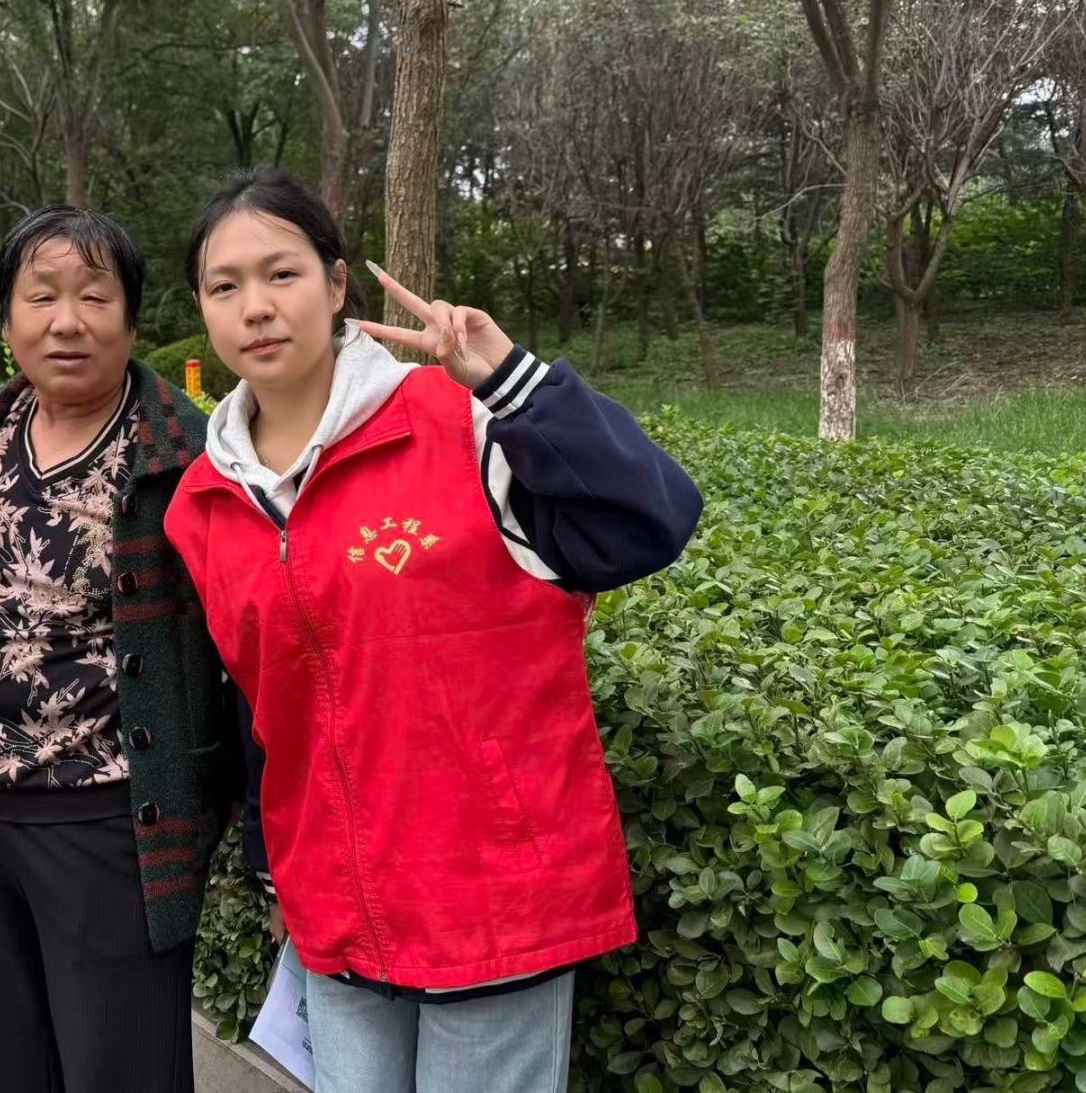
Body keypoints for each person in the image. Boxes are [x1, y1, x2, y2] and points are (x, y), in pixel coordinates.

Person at [163, 170, 703, 1093]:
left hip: (492, 899)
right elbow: (266, 707)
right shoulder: (205, 502)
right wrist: (279, 873)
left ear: (337, 283)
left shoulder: (461, 425)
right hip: (335, 906)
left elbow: (653, 519)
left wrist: (513, 381)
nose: (255, 306)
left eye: (282, 273)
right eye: (225, 285)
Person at [0, 208, 243, 1093]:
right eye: (41, 296)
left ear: (131, 316)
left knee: (118, 1067)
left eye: (94, 296)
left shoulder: (181, 453)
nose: (67, 321)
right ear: (7, 319)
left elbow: (238, 645)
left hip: (102, 818)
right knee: (2, 1060)